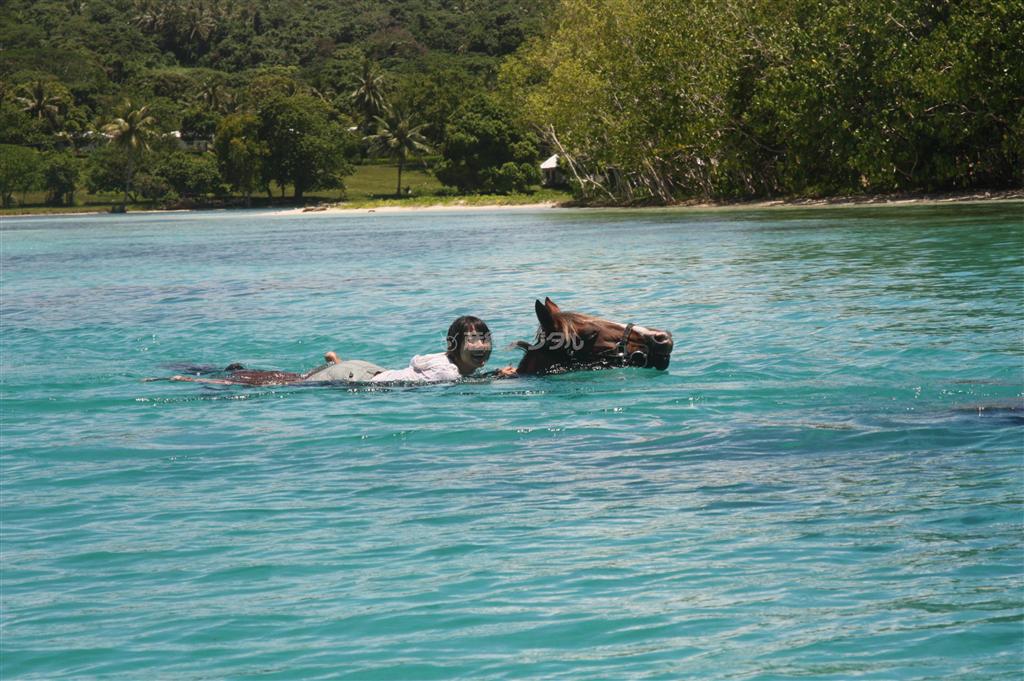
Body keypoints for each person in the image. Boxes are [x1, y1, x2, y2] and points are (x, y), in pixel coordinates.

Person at [303, 315, 508, 383]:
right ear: (452, 345)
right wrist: (496, 376)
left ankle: (336, 362)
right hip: (358, 376)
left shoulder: (450, 359)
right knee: (295, 382)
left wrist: (495, 373)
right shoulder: (446, 370)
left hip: (371, 371)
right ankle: (336, 365)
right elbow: (463, 386)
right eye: (473, 340)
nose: (482, 346)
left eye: (485, 339)